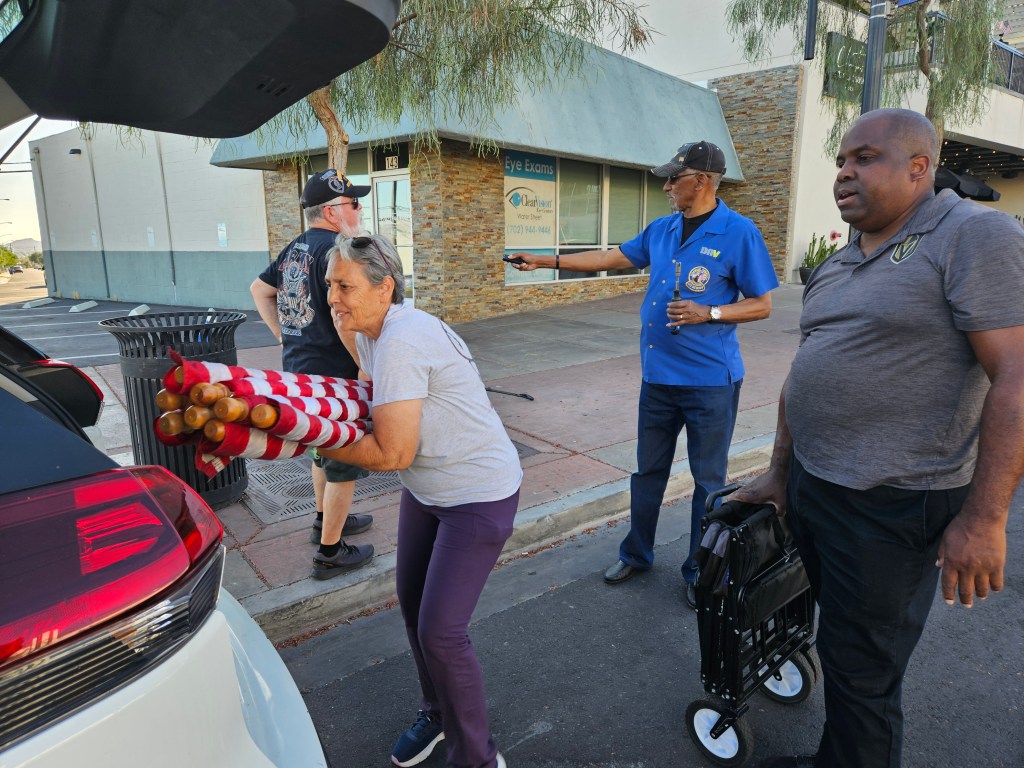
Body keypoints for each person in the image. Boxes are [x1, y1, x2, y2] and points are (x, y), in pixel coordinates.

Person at [734, 109, 1024, 768]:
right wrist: (780, 472)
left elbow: (1016, 377)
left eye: (864, 158)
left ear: (919, 168)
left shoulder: (972, 235)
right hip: (816, 485)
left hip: (893, 502)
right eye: (841, 160)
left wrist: (985, 519)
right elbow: (806, 372)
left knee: (864, 671)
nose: (844, 172)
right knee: (841, 647)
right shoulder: (838, 262)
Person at [510, 140, 778, 608]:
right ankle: (636, 553)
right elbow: (610, 258)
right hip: (658, 379)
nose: (667, 186)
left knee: (708, 482)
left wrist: (709, 312)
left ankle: (700, 569)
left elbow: (762, 304)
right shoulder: (663, 228)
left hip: (710, 383)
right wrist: (546, 260)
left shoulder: (739, 232)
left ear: (702, 180)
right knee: (647, 472)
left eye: (675, 178)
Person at [318, 234, 521, 768]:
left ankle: (477, 758)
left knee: (441, 633)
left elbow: (391, 453)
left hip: (476, 495)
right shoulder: (376, 330)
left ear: (384, 287)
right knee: (413, 605)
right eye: (329, 285)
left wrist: (303, 436)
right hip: (428, 489)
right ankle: (437, 712)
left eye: (344, 287)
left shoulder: (404, 339)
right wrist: (347, 323)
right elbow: (368, 377)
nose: (332, 297)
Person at [249, 169, 375, 578]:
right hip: (334, 375)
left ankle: (325, 521)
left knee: (323, 451)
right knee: (343, 460)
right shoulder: (337, 251)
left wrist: (285, 337)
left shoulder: (296, 247)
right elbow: (342, 317)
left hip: (301, 371)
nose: (359, 210)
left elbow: (259, 290)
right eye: (354, 203)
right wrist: (365, 366)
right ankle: (330, 553)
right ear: (334, 211)